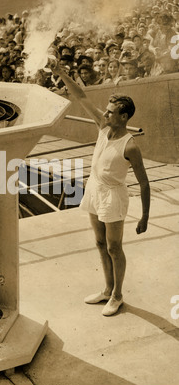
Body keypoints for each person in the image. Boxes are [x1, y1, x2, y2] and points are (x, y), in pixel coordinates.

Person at [50, 61, 150, 316]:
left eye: (110, 112)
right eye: (106, 111)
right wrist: (62, 72)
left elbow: (144, 182)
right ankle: (107, 290)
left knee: (114, 247)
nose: (105, 114)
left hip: (114, 196)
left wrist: (145, 217)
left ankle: (117, 295)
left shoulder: (130, 146)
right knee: (99, 241)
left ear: (124, 116)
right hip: (94, 189)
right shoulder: (104, 128)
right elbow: (80, 95)